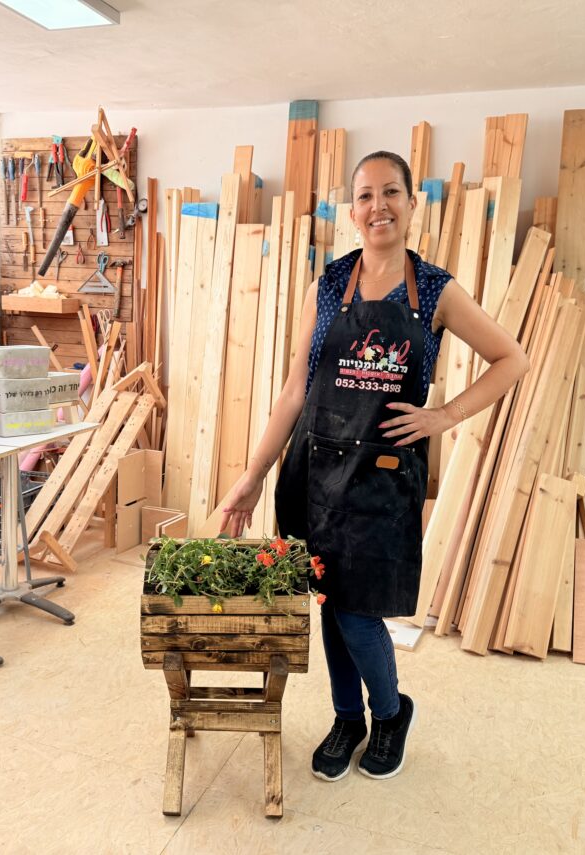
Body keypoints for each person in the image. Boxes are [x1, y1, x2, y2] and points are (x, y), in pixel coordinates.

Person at [219, 151, 529, 782]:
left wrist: (443, 416)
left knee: (358, 612)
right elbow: (295, 391)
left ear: (412, 204)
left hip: (382, 479)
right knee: (330, 602)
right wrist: (253, 475)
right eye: (364, 195)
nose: (377, 206)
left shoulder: (436, 290)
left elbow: (512, 359)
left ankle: (389, 713)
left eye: (391, 192)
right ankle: (346, 718)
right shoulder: (330, 285)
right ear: (352, 210)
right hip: (315, 473)